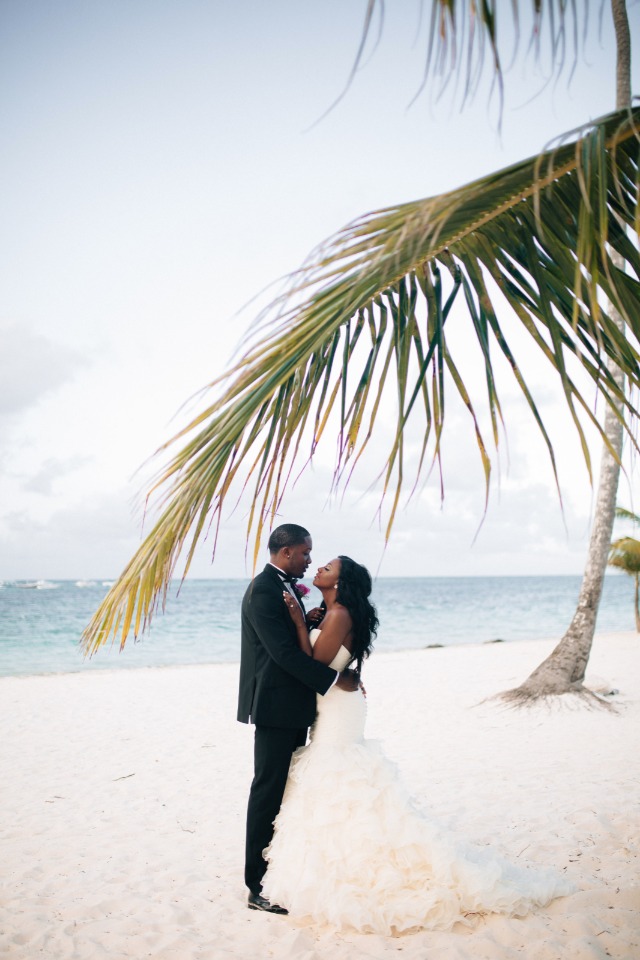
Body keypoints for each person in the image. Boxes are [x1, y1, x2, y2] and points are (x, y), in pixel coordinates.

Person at [262, 555, 575, 935]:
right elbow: (328, 664)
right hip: (335, 702)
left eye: (328, 568)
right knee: (335, 779)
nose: (319, 569)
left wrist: (298, 622)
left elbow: (314, 663)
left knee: (338, 775)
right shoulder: (329, 613)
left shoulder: (340, 613)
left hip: (338, 709)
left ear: (341, 584)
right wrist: (313, 626)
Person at [237, 524, 360, 915]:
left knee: (287, 792)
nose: (310, 561)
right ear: (287, 552)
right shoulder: (264, 590)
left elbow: (299, 644)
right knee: (268, 790)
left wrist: (310, 621)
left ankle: (281, 869)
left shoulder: (285, 586)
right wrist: (334, 678)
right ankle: (256, 885)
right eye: (306, 553)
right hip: (275, 706)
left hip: (293, 704)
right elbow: (283, 655)